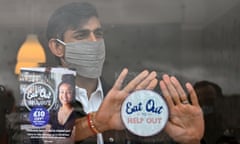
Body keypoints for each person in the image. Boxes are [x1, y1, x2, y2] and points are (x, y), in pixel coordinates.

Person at [46, 2, 204, 144]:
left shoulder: (131, 105)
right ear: (57, 47)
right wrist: (94, 123)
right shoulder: (42, 103)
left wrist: (191, 141)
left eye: (98, 34)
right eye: (82, 35)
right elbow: (40, 138)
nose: (94, 42)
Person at [45, 74, 77, 143]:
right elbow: (45, 135)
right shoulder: (53, 112)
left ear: (73, 94)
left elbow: (72, 140)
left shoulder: (77, 114)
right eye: (62, 92)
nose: (64, 96)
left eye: (68, 92)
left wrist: (53, 140)